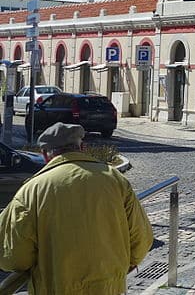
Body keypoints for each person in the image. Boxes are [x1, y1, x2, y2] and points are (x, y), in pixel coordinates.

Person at [0, 122, 153, 295]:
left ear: (44, 154)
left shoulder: (32, 190)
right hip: (109, 288)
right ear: (82, 147)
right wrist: (122, 268)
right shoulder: (114, 179)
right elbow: (142, 238)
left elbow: (14, 258)